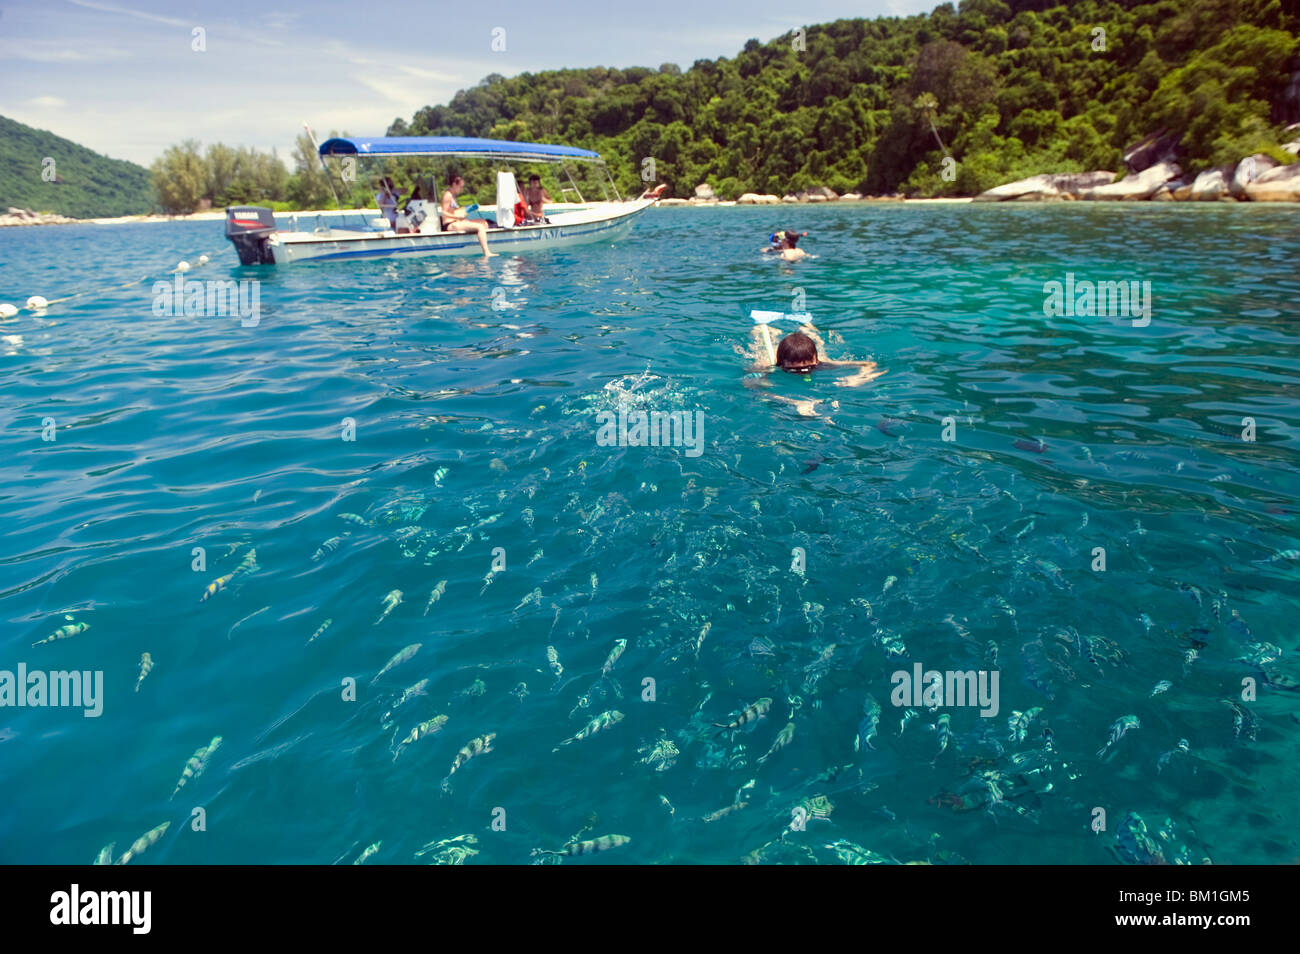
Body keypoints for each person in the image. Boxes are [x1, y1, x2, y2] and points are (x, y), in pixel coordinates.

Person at [743, 321, 885, 417]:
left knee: (817, 341)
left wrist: (857, 378)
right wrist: (796, 402)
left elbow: (869, 365)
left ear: (815, 361)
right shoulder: (767, 366)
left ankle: (807, 327)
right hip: (773, 356)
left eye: (809, 367)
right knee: (758, 341)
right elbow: (753, 388)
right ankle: (766, 330)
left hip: (812, 354)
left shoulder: (823, 364)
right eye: (794, 370)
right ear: (782, 365)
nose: (802, 372)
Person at [441, 174, 496, 258]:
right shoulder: (447, 195)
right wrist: (457, 218)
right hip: (450, 224)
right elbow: (444, 213)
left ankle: (479, 242)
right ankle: (486, 252)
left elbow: (452, 211)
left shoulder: (452, 196)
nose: (461, 189)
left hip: (455, 222)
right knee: (480, 227)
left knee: (484, 222)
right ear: (454, 184)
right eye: (460, 187)